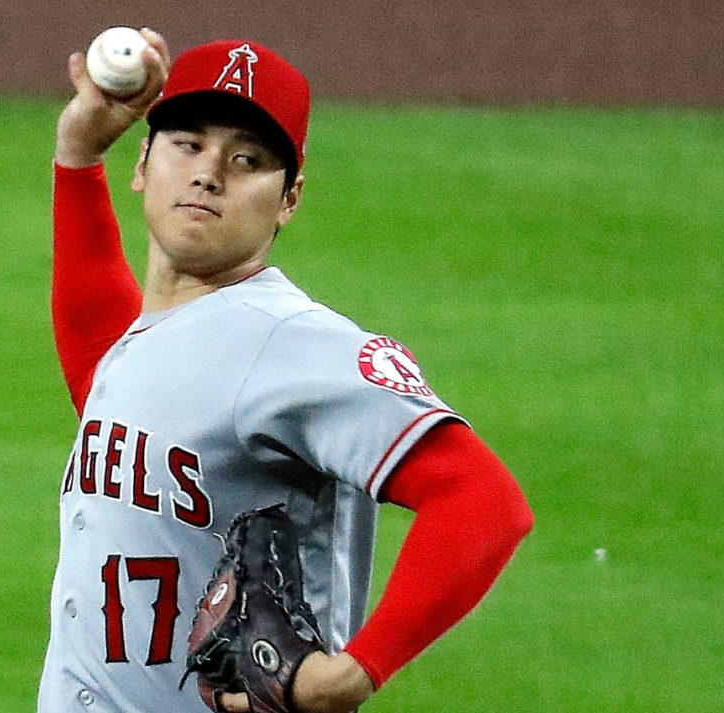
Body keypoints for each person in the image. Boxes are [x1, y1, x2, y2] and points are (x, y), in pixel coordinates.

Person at [40, 29, 534, 713]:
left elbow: (482, 499)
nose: (209, 172)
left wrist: (355, 672)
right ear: (144, 160)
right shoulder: (152, 342)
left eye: (247, 160)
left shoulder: (294, 343)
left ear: (290, 199)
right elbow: (109, 378)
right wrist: (77, 156)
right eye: (188, 145)